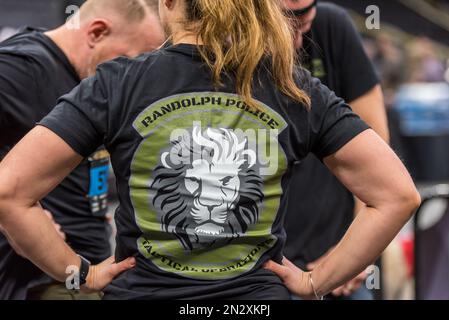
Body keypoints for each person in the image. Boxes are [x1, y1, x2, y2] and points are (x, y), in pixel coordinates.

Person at [0, 0, 420, 300]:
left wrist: (80, 276)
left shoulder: (117, 84)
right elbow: (397, 195)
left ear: (167, 4)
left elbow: (9, 191)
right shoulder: (291, 87)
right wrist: (317, 282)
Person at [0, 0, 165, 300]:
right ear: (97, 32)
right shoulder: (22, 68)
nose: (134, 77)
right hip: (50, 282)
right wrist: (9, 207)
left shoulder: (84, 78)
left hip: (91, 271)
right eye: (131, 59)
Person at [281, 0, 390, 299]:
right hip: (266, 268)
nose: (298, 40)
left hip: (334, 259)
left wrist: (350, 256)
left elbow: (378, 156)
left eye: (304, 23)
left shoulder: (331, 27)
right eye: (289, 23)